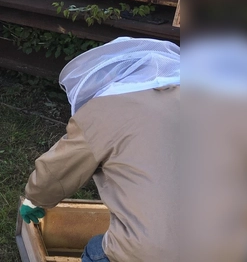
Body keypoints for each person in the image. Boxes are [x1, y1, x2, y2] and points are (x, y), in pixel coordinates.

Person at [19, 37, 181, 261]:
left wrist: (34, 199)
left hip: (154, 252)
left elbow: (57, 170)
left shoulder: (106, 110)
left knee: (97, 251)